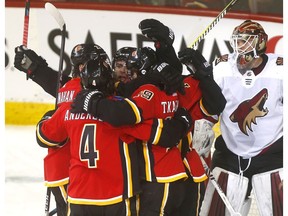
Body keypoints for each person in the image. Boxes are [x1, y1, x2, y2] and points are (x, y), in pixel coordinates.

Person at [36, 53, 193, 216]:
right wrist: (183, 121)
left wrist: (49, 115)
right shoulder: (117, 114)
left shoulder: (67, 110)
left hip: (78, 196)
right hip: (116, 196)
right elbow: (162, 133)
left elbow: (43, 137)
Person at [178, 19, 283, 216]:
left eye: (245, 41)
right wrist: (204, 127)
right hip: (230, 154)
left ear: (260, 42)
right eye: (237, 41)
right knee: (213, 212)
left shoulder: (280, 69)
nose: (239, 47)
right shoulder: (223, 66)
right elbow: (211, 103)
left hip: (273, 155)